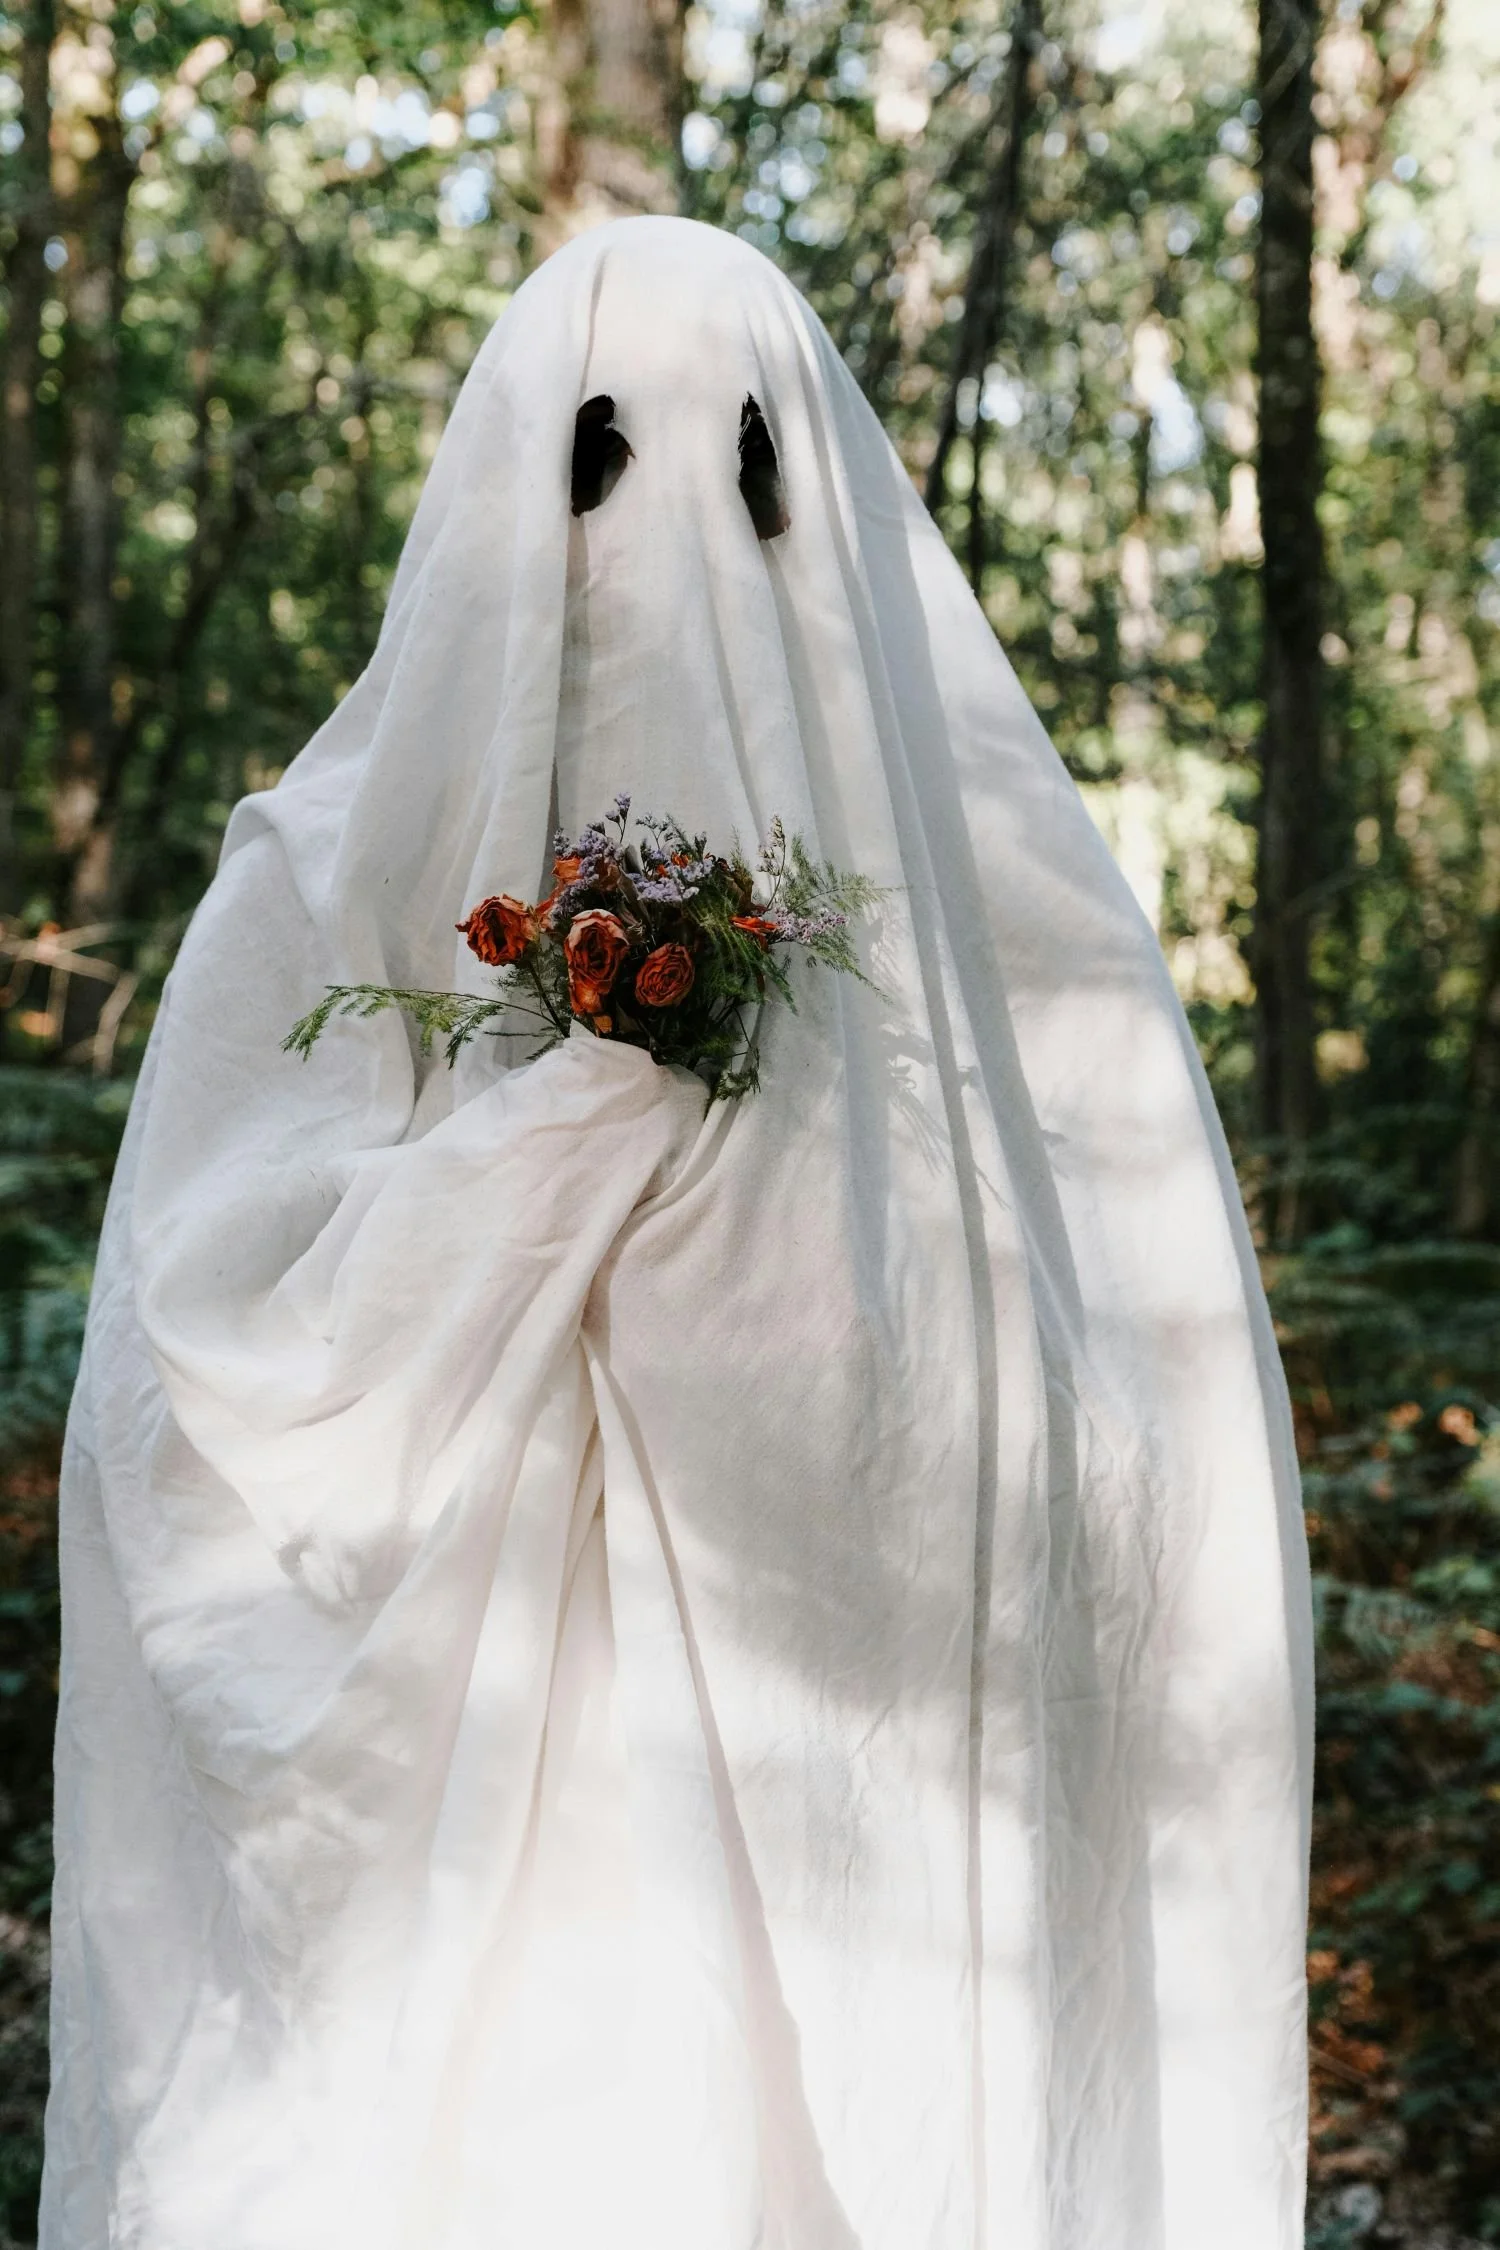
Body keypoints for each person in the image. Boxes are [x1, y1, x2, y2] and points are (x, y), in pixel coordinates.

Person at [44, 216, 1313, 2250]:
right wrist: (555, 1158)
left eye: (745, 475)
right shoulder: (329, 871)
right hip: (488, 1845)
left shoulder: (995, 927)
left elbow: (1118, 1439)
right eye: (599, 461)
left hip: (847, 1873)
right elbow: (197, 1352)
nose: (672, 540)